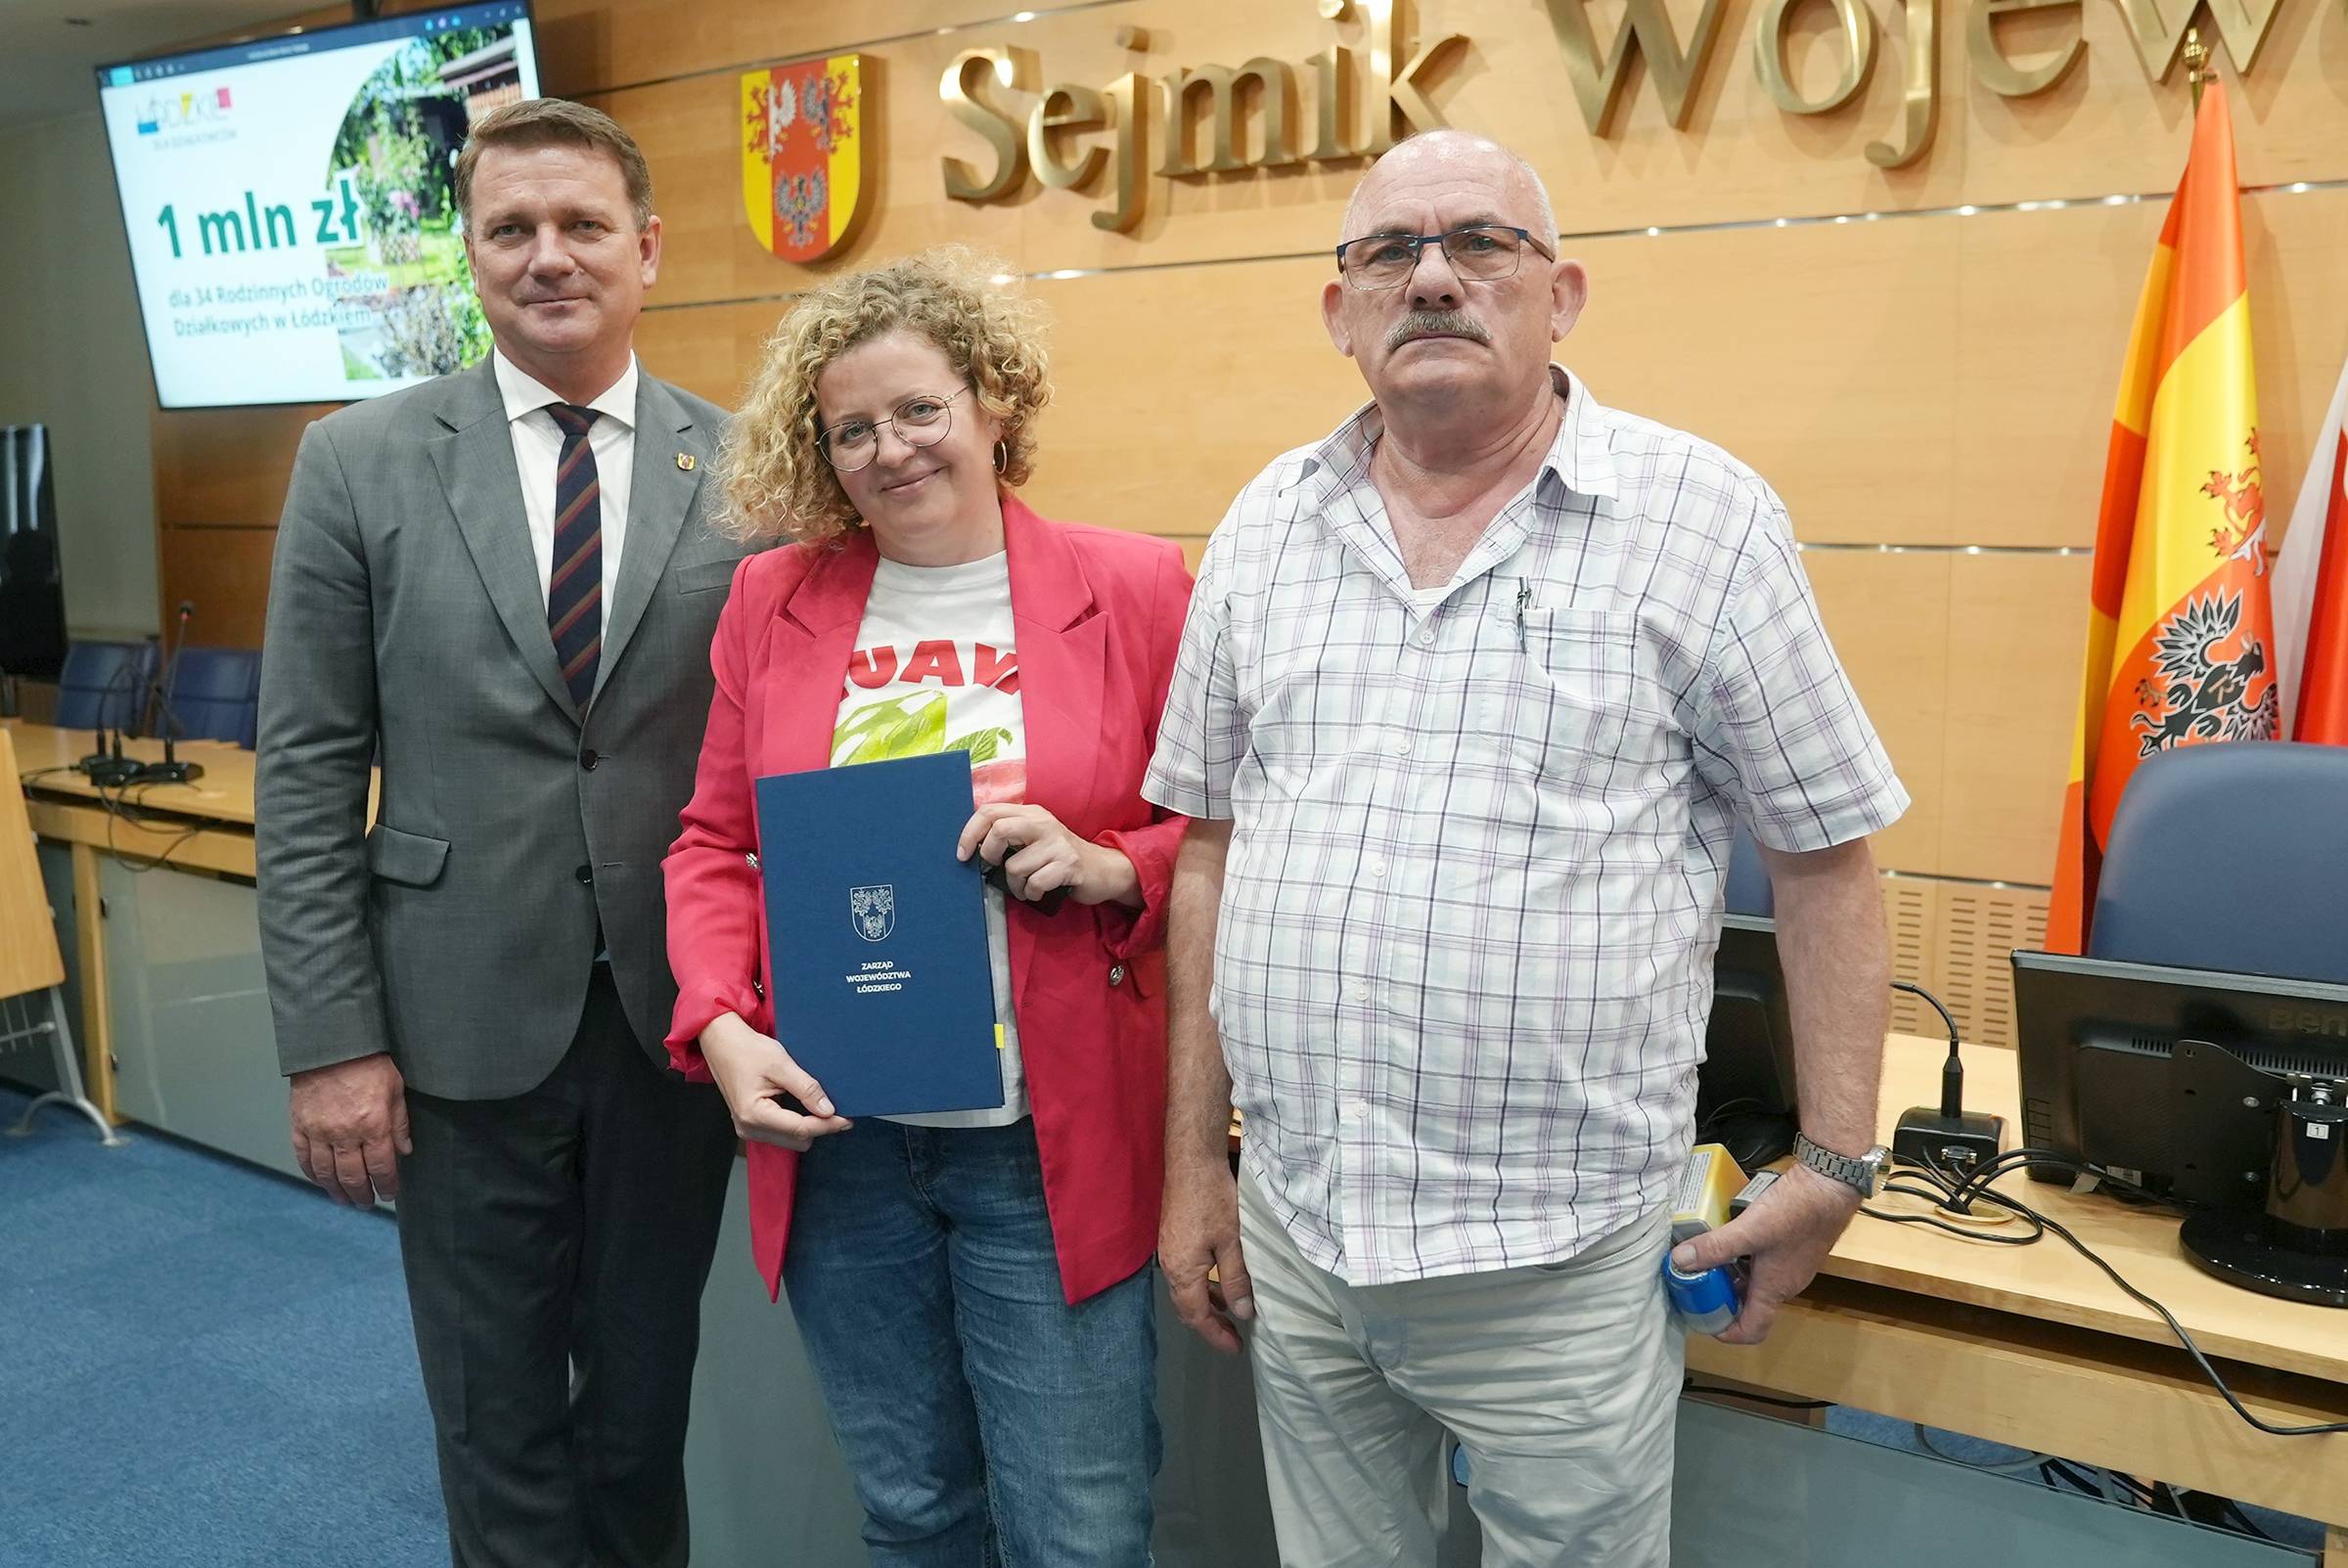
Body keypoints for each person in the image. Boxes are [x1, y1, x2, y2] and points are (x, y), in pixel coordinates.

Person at [1146, 130, 1910, 1566]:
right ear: (1341, 312)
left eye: (1481, 244)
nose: (1434, 277)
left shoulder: (1703, 522)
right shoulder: (1265, 528)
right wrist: (1196, 1165)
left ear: (1561, 297)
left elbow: (1825, 856)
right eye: (1391, 252)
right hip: (1302, 1235)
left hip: (1559, 1269)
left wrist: (1836, 1160)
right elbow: (1208, 849)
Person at [255, 99, 744, 1568]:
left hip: (677, 1028)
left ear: (647, 249)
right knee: (494, 1422)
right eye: (510, 229)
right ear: (469, 256)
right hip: (452, 1029)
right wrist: (331, 1045)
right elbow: (306, 770)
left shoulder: (748, 470)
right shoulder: (356, 460)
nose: (548, 256)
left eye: (583, 224)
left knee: (642, 1416)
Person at [662, 246, 1190, 1566]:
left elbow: (1224, 830)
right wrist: (720, 1024)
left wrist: (1113, 864)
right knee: (912, 1517)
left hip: (1044, 1144)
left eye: (918, 409)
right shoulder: (770, 601)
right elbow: (715, 842)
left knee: (1080, 1533)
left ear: (993, 403)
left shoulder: (1133, 588)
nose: (890, 449)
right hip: (841, 1139)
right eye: (852, 429)